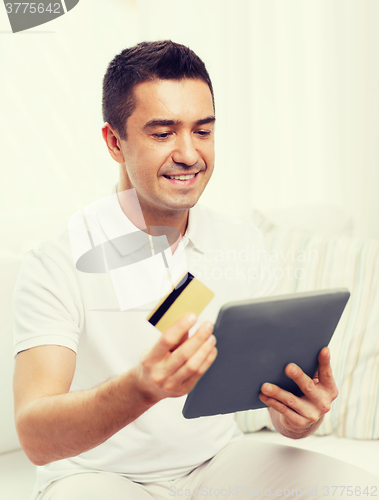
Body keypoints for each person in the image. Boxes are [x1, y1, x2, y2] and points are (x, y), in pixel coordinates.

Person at [13, 40, 378, 500]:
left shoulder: (241, 244)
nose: (189, 154)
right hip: (96, 477)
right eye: (163, 134)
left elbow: (271, 397)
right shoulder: (56, 262)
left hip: (216, 462)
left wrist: (297, 418)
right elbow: (34, 438)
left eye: (202, 131)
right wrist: (140, 389)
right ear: (114, 141)